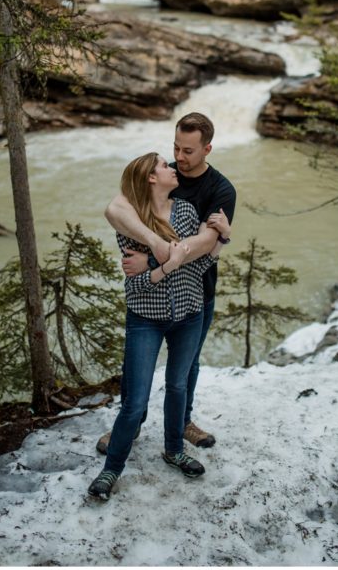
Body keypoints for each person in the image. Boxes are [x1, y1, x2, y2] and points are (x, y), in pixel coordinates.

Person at [87, 153, 231, 501]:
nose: (172, 166)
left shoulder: (185, 211)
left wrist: (221, 240)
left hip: (189, 313)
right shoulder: (132, 222)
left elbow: (199, 260)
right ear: (151, 178)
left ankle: (174, 450)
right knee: (134, 403)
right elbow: (136, 284)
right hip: (145, 319)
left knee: (178, 386)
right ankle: (111, 470)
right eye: (165, 166)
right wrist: (168, 264)